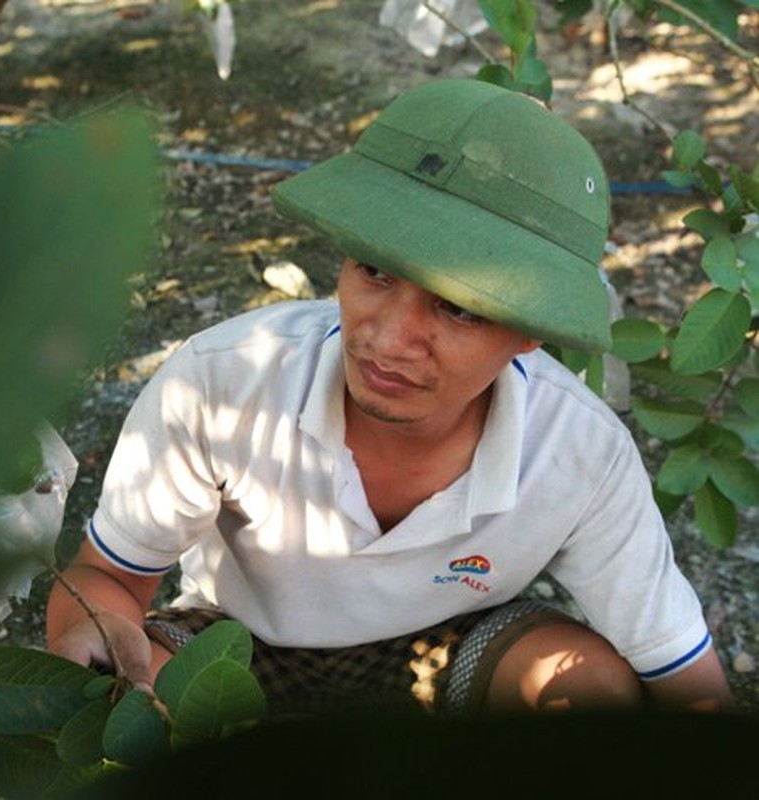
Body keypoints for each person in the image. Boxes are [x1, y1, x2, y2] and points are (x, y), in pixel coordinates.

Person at [46, 78, 736, 715]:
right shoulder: (222, 383)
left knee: (589, 689)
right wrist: (91, 627)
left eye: (460, 309)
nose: (391, 338)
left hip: (447, 641)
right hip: (239, 638)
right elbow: (106, 576)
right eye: (374, 270)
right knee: (115, 701)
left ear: (531, 335)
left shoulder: (578, 453)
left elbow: (674, 664)